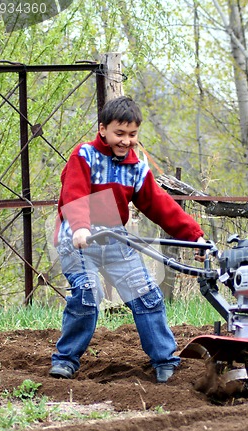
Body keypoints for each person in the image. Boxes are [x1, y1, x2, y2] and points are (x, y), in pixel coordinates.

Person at [50, 96, 206, 383]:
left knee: (146, 296)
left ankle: (165, 360)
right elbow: (75, 194)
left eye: (132, 135)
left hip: (113, 238)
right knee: (87, 295)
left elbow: (160, 205)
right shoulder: (83, 156)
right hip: (77, 238)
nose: (125, 141)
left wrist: (194, 236)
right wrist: (82, 228)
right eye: (119, 134)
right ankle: (66, 359)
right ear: (103, 130)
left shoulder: (136, 168)